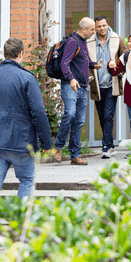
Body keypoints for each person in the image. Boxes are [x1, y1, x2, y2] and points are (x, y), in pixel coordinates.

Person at [0, 37, 52, 242]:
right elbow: (38, 112)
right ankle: (19, 229)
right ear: (21, 54)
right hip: (21, 143)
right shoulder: (26, 78)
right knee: (26, 181)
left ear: (4, 54)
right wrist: (46, 142)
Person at [52, 17, 100, 166]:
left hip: (82, 87)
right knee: (70, 113)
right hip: (70, 86)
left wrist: (94, 65)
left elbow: (81, 61)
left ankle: (75, 155)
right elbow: (64, 63)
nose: (94, 32)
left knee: (79, 121)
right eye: (92, 29)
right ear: (84, 29)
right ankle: (58, 147)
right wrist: (71, 79)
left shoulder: (83, 42)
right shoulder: (73, 41)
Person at [87, 16, 129, 159]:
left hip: (112, 83)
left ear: (108, 25)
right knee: (101, 117)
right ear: (96, 28)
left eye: (104, 25)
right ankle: (111, 145)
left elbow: (126, 57)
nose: (102, 29)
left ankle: (105, 147)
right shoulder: (90, 41)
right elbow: (85, 61)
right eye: (99, 26)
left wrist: (116, 64)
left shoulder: (117, 39)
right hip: (97, 85)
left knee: (108, 115)